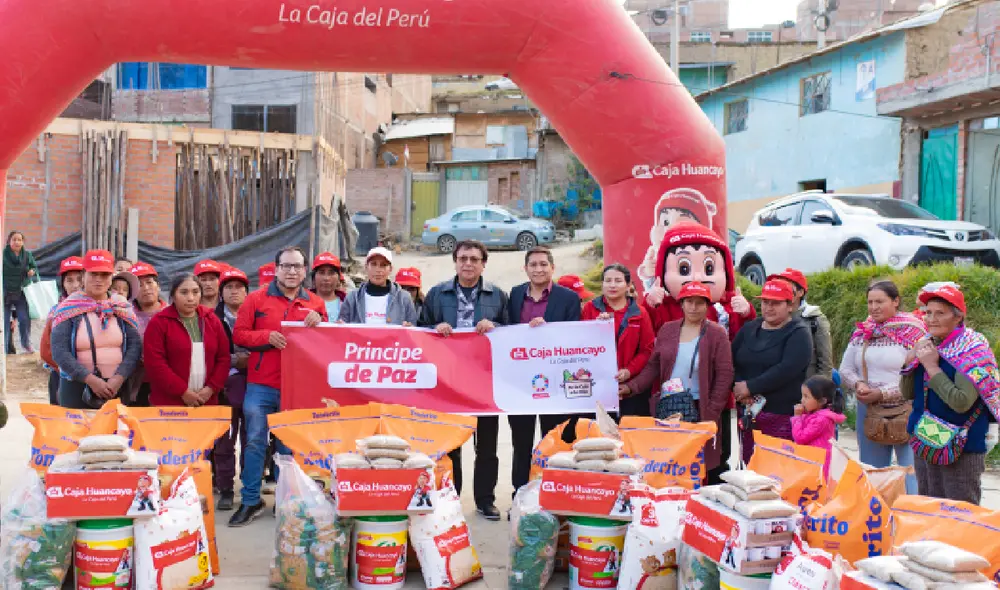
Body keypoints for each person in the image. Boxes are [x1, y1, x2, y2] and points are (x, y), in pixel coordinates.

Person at [230, 246, 327, 526]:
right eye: (286, 266)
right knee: (254, 443)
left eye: (297, 266)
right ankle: (250, 500)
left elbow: (328, 342)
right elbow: (240, 335)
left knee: (288, 448)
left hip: (296, 388)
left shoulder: (315, 303)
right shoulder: (256, 300)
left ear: (305, 270)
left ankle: (286, 501)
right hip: (261, 384)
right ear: (276, 268)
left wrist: (320, 322)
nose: (292, 271)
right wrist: (266, 337)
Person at [419, 239, 508, 520]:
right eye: (463, 259)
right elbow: (421, 331)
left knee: (487, 446)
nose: (468, 264)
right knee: (451, 444)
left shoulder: (498, 296)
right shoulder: (437, 294)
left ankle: (485, 500)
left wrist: (496, 327)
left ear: (484, 263)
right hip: (449, 383)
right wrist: (436, 328)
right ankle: (451, 496)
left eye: (474, 259)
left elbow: (513, 333)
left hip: (485, 383)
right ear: (455, 262)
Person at [623, 282, 733, 484]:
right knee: (671, 463)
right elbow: (653, 366)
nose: (693, 307)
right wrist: (632, 386)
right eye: (689, 301)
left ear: (707, 305)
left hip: (700, 408)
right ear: (681, 304)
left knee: (700, 464)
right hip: (670, 409)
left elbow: (725, 375)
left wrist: (711, 412)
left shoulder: (716, 334)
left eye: (699, 303)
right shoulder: (668, 329)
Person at [900, 284, 1000, 505]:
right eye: (928, 312)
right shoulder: (928, 344)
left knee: (959, 515)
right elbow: (908, 394)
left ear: (958, 317)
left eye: (940, 313)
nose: (931, 319)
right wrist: (909, 363)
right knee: (929, 508)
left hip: (961, 446)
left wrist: (931, 367)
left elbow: (961, 402)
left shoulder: (971, 350)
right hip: (927, 438)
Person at [507, 246, 581, 497]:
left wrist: (549, 331)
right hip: (521, 383)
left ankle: (554, 493)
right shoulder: (515, 294)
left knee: (555, 440)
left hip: (555, 384)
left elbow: (576, 338)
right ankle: (520, 494)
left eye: (543, 264)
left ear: (552, 268)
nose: (538, 269)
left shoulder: (569, 299)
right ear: (525, 268)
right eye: (533, 265)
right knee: (521, 442)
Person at [838, 279, 923, 494]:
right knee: (873, 474)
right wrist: (858, 385)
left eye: (880, 301)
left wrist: (882, 392)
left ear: (896, 301)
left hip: (907, 410)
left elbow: (917, 375)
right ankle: (880, 523)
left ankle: (910, 521)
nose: (873, 307)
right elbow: (845, 369)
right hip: (869, 410)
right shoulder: (863, 333)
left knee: (912, 474)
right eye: (870, 302)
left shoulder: (914, 333)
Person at [731, 279, 812, 463]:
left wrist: (750, 387)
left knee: (777, 470)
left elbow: (787, 369)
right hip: (749, 411)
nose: (769, 307)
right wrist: (738, 389)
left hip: (781, 414)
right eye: (765, 302)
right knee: (750, 466)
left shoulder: (799, 333)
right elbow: (731, 360)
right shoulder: (750, 328)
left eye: (775, 303)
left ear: (790, 306)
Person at [49, 250, 142, 409]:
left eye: (104, 274)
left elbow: (135, 345)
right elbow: (59, 351)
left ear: (112, 276)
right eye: (93, 274)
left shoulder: (121, 306)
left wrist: (118, 378)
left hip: (116, 387)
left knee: (114, 432)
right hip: (76, 386)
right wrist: (91, 380)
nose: (98, 280)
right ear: (84, 276)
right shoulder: (68, 308)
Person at [142, 274, 230, 407]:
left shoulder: (211, 320)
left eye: (195, 292)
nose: (191, 298)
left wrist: (211, 388)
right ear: (173, 295)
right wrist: (183, 392)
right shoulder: (159, 322)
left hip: (206, 401)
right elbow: (155, 363)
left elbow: (223, 358)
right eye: (184, 292)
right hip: (169, 404)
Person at [582, 264, 655, 418]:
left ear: (628, 285)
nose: (612, 285)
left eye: (618, 281)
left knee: (628, 435)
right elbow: (581, 345)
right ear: (602, 284)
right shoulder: (590, 309)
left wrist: (629, 371)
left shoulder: (640, 313)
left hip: (628, 386)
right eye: (608, 281)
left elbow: (647, 350)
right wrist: (596, 327)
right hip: (597, 385)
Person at [214, 266, 251, 511]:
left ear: (247, 292)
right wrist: (234, 359)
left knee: (253, 439)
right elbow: (208, 354)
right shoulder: (211, 318)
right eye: (228, 287)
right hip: (222, 386)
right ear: (221, 293)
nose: (234, 291)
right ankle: (226, 487)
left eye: (239, 287)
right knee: (224, 441)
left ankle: (250, 488)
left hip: (254, 385)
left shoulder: (256, 316)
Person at [769, 269, 833, 379]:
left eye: (788, 285)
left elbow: (825, 364)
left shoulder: (815, 319)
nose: (783, 289)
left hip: (805, 390)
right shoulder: (771, 316)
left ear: (800, 292)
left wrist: (818, 392)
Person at [40, 256, 85, 404]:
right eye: (69, 280)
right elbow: (46, 350)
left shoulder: (99, 309)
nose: (75, 285)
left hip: (92, 378)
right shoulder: (56, 312)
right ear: (63, 284)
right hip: (61, 375)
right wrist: (66, 369)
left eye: (79, 279)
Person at [339, 247, 417, 325]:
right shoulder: (352, 298)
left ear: (390, 269)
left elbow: (413, 330)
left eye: (383, 265)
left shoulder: (404, 298)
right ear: (366, 267)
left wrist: (409, 327)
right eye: (373, 264)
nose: (378, 270)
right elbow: (342, 329)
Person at [125, 262, 167, 408]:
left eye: (149, 282)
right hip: (135, 383)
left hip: (167, 383)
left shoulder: (173, 313)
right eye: (140, 285)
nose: (146, 288)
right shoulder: (126, 315)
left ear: (158, 286)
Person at [792, 375, 846, 479]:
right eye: (802, 396)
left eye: (806, 397)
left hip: (818, 464)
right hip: (814, 460)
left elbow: (800, 438)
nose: (802, 400)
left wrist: (797, 418)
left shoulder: (821, 419)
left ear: (822, 401)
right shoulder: (814, 414)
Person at [3, 231, 37, 354]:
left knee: (24, 319)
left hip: (21, 292)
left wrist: (32, 271)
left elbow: (34, 267)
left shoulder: (27, 255)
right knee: (4, 321)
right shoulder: (3, 255)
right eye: (14, 239)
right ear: (9, 241)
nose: (17, 242)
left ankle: (26, 344)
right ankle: (5, 348)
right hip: (5, 292)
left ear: (23, 242)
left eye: (19, 240)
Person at [311, 252, 347, 321]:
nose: (326, 278)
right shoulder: (301, 303)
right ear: (313, 277)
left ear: (339, 278)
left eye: (331, 273)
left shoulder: (349, 303)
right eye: (321, 272)